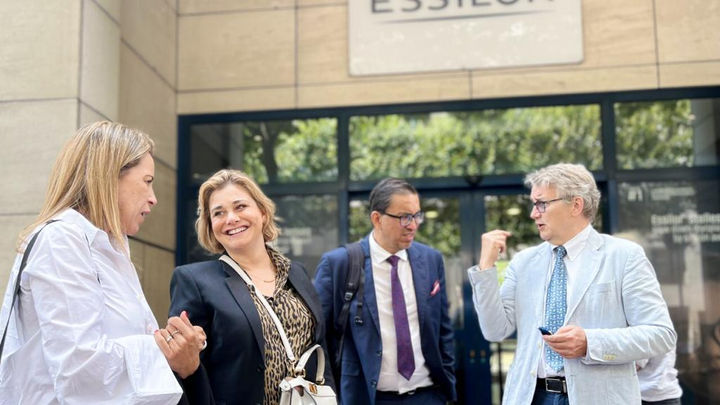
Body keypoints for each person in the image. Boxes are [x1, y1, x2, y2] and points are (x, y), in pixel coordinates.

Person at [0, 121, 205, 404]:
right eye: (147, 181)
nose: (154, 198)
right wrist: (167, 350)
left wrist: (176, 342)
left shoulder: (107, 248)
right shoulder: (62, 239)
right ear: (109, 177)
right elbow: (80, 369)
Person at [468, 163, 676, 405]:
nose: (534, 214)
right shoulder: (524, 262)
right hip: (532, 397)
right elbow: (495, 330)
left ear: (576, 205)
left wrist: (589, 343)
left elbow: (661, 335)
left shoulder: (624, 256)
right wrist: (485, 268)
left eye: (541, 204)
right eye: (534, 204)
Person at [169, 169, 334, 405]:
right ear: (210, 224)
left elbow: (320, 349)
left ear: (263, 213)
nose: (231, 218)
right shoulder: (193, 280)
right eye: (218, 213)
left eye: (240, 207)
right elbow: (186, 368)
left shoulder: (296, 273)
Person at [314, 178, 456, 405]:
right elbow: (318, 336)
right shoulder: (339, 264)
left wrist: (447, 384)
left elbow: (443, 330)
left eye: (417, 215)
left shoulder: (431, 259)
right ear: (377, 219)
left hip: (428, 395)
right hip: (368, 398)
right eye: (404, 217)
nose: (413, 225)